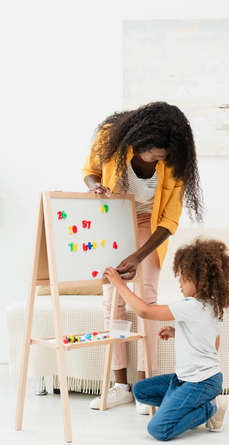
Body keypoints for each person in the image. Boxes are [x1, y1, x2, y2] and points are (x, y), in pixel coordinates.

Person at [82, 102, 204, 414]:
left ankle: (143, 385)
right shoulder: (111, 138)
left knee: (147, 301)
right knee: (113, 300)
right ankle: (120, 383)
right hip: (114, 220)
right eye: (156, 153)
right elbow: (90, 172)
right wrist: (96, 187)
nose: (159, 159)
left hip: (148, 228)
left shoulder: (174, 162)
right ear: (139, 140)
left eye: (164, 155)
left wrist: (137, 257)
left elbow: (169, 222)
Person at [103, 237, 229, 440]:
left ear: (200, 280)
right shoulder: (213, 306)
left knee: (159, 429)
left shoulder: (190, 306)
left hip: (200, 383)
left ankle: (211, 407)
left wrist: (119, 284)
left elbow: (145, 311)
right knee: (141, 390)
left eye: (183, 277)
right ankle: (186, 405)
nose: (180, 283)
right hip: (191, 380)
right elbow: (211, 344)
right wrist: (178, 334)